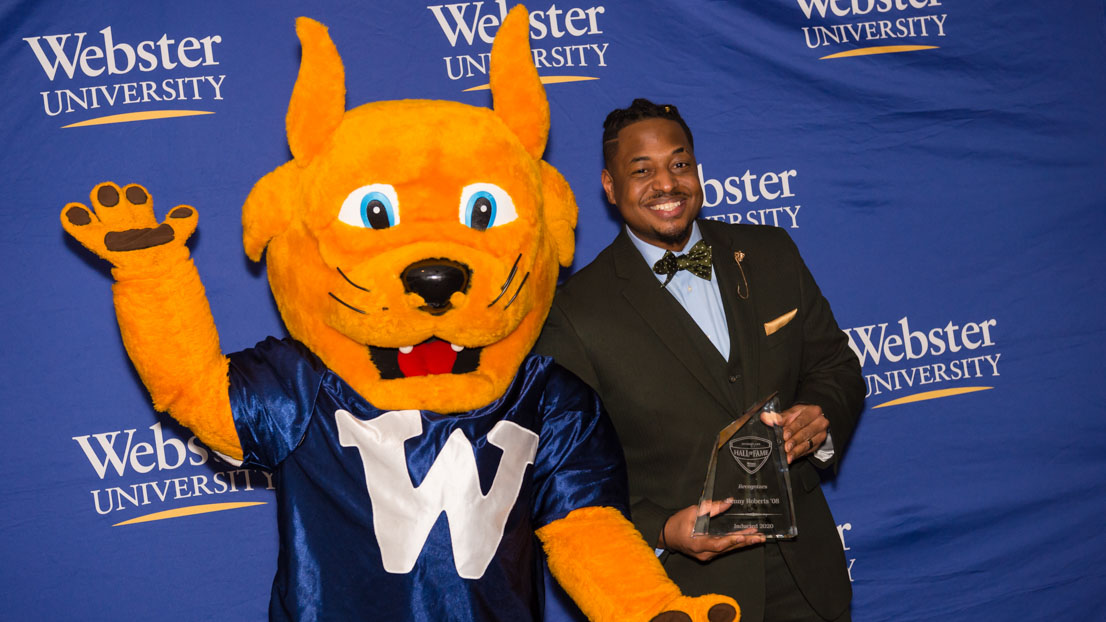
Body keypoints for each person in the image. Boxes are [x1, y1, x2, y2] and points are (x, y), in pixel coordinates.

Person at [535, 99, 864, 622]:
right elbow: (570, 472)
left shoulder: (771, 251)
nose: (666, 184)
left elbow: (836, 366)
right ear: (610, 186)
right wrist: (663, 530)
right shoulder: (575, 313)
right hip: (687, 597)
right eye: (641, 171)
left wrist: (819, 417)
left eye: (679, 164)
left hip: (811, 580)